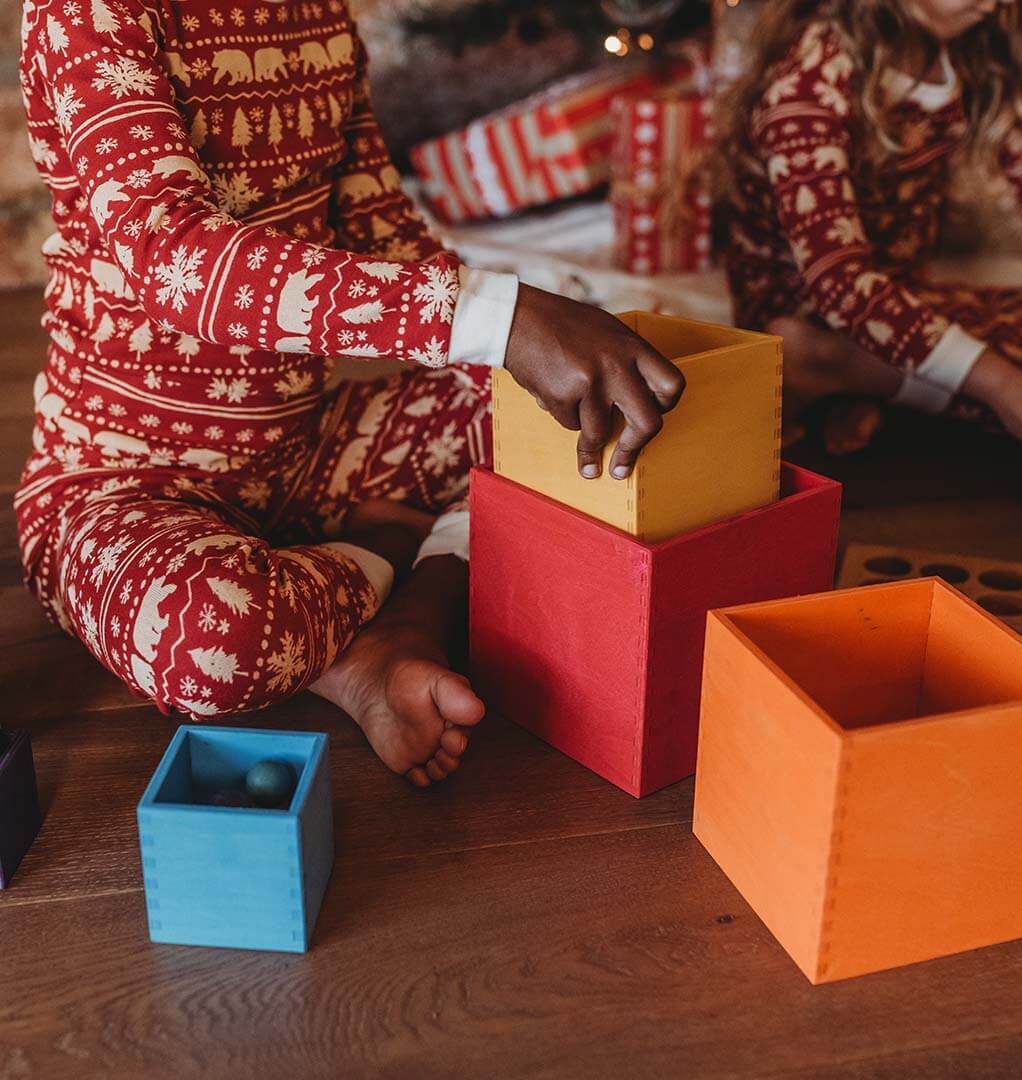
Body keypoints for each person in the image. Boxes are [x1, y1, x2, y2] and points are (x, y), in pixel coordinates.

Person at [16, 0, 685, 787]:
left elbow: (383, 231)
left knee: (562, 419)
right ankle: (385, 562)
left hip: (311, 455)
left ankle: (404, 620)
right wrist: (507, 320)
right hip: (117, 485)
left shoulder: (319, 13)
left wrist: (535, 354)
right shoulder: (85, 13)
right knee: (212, 640)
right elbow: (176, 263)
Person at [726, 0, 1022, 473]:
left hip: (898, 296)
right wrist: (1011, 391)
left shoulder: (971, 51)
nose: (996, 4)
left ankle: (867, 383)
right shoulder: (810, 75)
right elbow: (840, 285)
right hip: (801, 309)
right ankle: (822, 365)